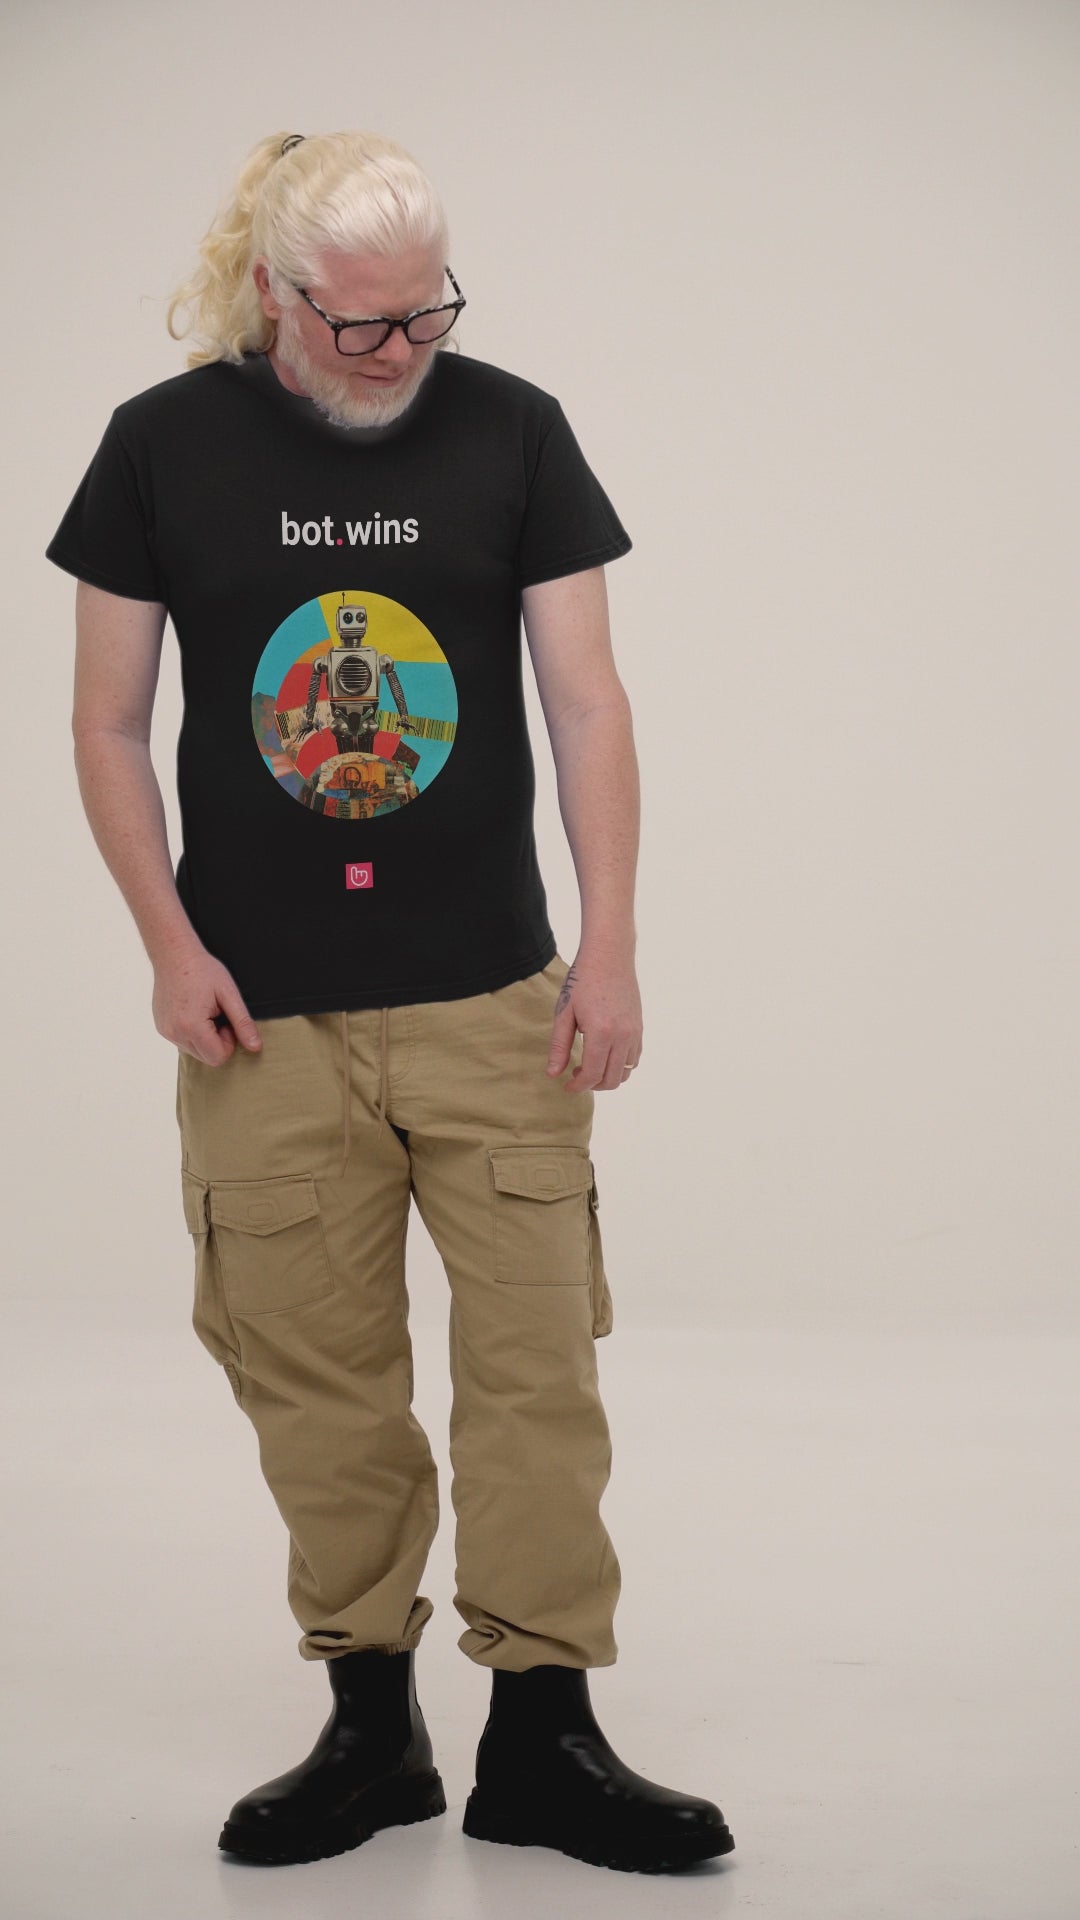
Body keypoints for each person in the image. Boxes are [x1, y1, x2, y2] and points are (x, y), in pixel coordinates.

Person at [45, 127, 735, 1877]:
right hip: (260, 1016)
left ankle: (545, 1736)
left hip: (496, 999)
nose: (398, 352)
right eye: (359, 322)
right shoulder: (160, 447)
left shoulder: (515, 429)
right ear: (274, 291)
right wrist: (166, 944)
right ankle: (372, 1731)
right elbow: (106, 723)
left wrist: (611, 946)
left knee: (535, 1380)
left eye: (427, 312)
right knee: (317, 1388)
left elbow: (589, 701)